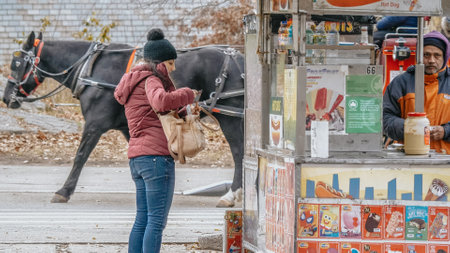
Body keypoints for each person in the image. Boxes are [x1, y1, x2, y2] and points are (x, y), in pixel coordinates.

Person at [114, 28, 197, 253]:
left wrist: (181, 109)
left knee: (143, 219)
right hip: (155, 159)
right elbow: (160, 102)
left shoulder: (133, 80)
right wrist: (187, 94)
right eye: (171, 63)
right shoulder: (151, 79)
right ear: (160, 63)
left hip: (138, 159)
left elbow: (154, 110)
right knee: (156, 221)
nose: (173, 68)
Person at [383, 31, 450, 154]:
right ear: (418, 55)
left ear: (445, 56)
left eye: (437, 55)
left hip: (446, 160)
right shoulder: (401, 83)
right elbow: (385, 119)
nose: (431, 60)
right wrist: (410, 127)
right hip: (408, 157)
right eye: (426, 55)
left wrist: (446, 131)